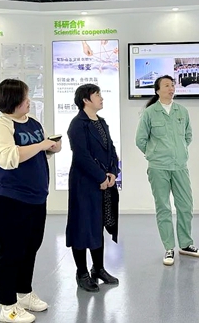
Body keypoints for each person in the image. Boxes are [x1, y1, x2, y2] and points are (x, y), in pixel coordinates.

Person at [0, 79, 61, 323]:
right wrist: (40, 145)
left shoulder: (33, 122)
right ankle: (7, 306)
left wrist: (50, 148)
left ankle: (24, 293)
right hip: (8, 200)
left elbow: (38, 151)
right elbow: (9, 158)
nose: (29, 101)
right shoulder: (0, 127)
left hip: (35, 198)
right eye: (25, 98)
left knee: (30, 249)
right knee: (10, 253)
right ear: (13, 101)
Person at [135, 75, 199, 266]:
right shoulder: (150, 113)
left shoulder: (182, 111)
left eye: (172, 85)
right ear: (157, 90)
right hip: (158, 167)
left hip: (180, 166)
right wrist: (154, 154)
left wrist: (179, 152)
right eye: (166, 85)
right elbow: (140, 140)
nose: (171, 88)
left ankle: (186, 244)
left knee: (185, 206)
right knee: (163, 207)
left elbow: (188, 136)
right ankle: (169, 247)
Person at [66, 83, 120, 292]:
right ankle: (82, 273)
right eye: (97, 95)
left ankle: (98, 268)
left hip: (104, 183)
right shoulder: (77, 125)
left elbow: (111, 149)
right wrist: (100, 176)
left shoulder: (101, 122)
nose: (101, 98)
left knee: (98, 225)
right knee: (82, 226)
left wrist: (113, 172)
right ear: (86, 100)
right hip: (84, 183)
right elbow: (82, 156)